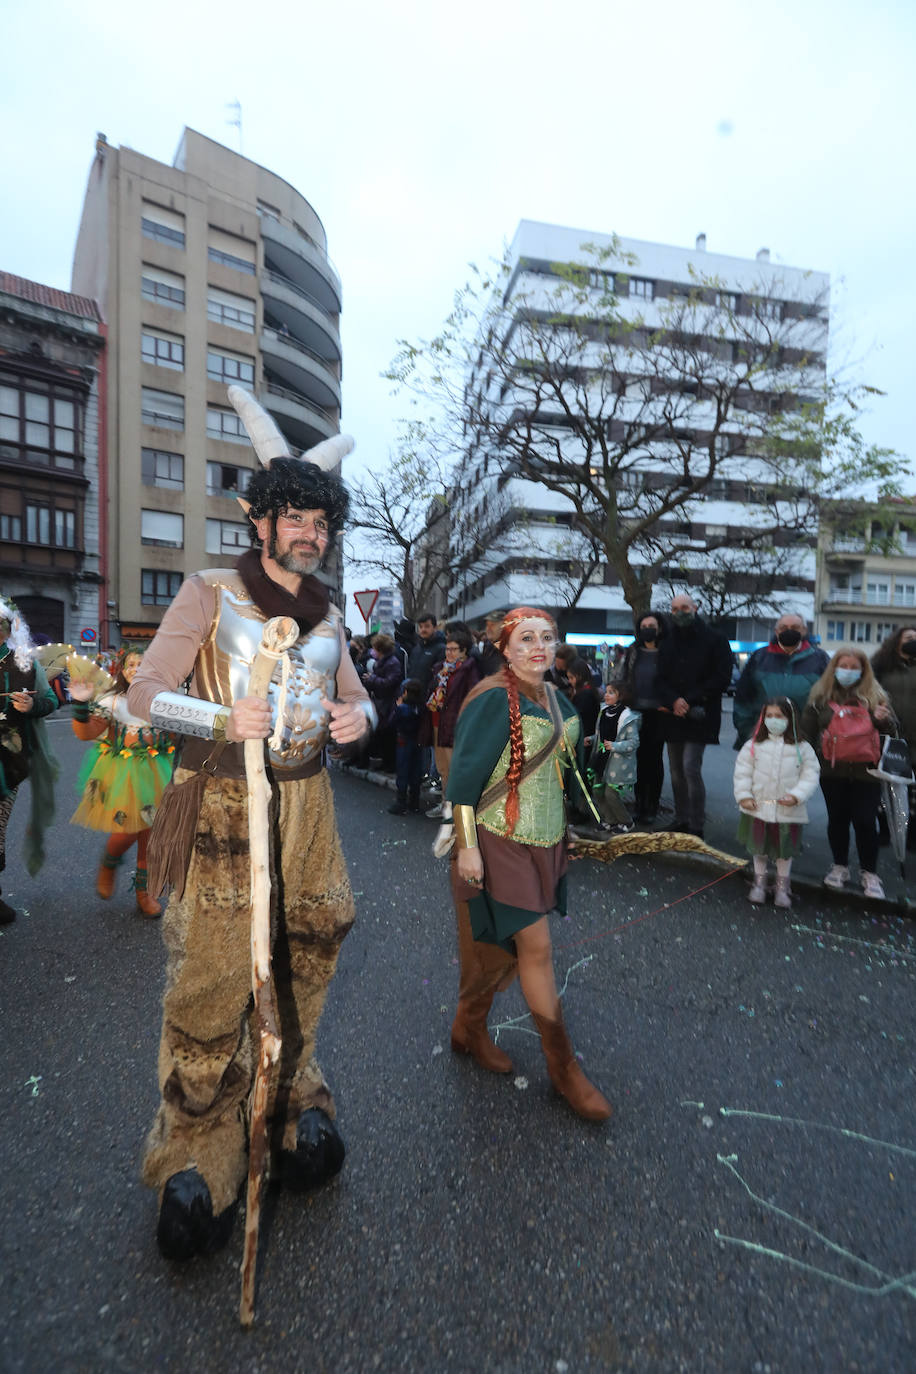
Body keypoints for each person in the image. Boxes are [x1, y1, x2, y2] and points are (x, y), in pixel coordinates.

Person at [127, 389, 374, 1261]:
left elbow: (355, 698)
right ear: (258, 520)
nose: (308, 533)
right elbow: (142, 697)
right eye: (293, 517)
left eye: (319, 521)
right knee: (214, 970)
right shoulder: (207, 592)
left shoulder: (331, 617)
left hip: (307, 806)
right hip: (223, 802)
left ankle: (286, 1100)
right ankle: (197, 1143)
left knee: (312, 938)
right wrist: (217, 720)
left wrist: (362, 721)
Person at [446, 606, 612, 1121]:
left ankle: (468, 1027)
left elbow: (565, 773)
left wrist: (573, 828)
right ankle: (563, 1069)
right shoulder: (494, 697)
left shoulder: (558, 697)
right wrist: (468, 846)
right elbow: (464, 781)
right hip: (497, 837)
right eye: (526, 638)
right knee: (535, 947)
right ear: (506, 647)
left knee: (503, 949)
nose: (538, 646)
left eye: (547, 637)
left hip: (547, 839)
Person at [69, 647, 175, 917]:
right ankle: (109, 862)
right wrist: (80, 704)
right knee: (126, 831)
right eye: (131, 664)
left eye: (143, 664)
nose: (136, 669)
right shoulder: (113, 702)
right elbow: (86, 733)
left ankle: (144, 893)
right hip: (123, 775)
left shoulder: (164, 701)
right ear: (122, 670)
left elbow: (176, 736)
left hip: (158, 772)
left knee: (152, 837)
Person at [801, 648, 895, 899]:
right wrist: (805, 762)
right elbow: (806, 732)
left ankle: (869, 873)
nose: (849, 671)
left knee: (865, 821)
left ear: (864, 670)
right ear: (834, 668)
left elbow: (893, 732)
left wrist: (881, 721)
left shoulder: (875, 696)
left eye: (855, 667)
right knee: (838, 819)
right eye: (844, 665)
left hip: (867, 771)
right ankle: (840, 866)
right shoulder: (820, 696)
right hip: (832, 771)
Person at [656, 594, 734, 838]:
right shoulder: (666, 640)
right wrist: (674, 701)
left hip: (700, 713)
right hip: (673, 714)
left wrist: (689, 699)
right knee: (676, 770)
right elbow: (660, 678)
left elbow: (721, 677)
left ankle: (696, 824)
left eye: (685, 607)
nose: (680, 612)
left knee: (690, 767)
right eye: (675, 608)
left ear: (695, 608)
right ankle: (681, 818)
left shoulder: (716, 639)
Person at [0, 599, 58, 923]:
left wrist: (30, 707)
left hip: (9, 761)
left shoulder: (25, 664)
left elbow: (50, 700)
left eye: (0, 624)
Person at [733, 697, 820, 908]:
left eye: (779, 716)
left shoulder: (803, 747)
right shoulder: (754, 745)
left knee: (784, 850)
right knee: (759, 849)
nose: (774, 720)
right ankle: (759, 884)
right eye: (769, 716)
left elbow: (811, 774)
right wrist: (744, 796)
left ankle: (782, 887)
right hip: (759, 808)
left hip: (788, 810)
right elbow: (742, 773)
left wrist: (797, 795)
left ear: (790, 718)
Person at [733, 612, 829, 748]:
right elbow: (743, 699)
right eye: (784, 628)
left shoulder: (820, 660)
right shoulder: (759, 658)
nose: (789, 631)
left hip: (805, 742)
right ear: (776, 631)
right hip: (761, 738)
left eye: (795, 627)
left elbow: (829, 700)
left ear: (804, 631)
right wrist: (747, 732)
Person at [613, 612, 667, 825]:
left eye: (651, 625)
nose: (647, 629)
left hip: (658, 713)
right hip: (635, 712)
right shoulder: (633, 651)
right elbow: (624, 677)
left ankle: (652, 806)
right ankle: (639, 804)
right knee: (637, 761)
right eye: (644, 625)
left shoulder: (666, 652)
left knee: (654, 762)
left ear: (659, 628)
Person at [425, 624, 481, 820]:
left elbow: (473, 699)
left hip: (455, 726)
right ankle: (445, 806)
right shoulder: (441, 668)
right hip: (437, 723)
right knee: (443, 769)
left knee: (454, 769)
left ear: (463, 650)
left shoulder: (468, 670)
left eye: (453, 649)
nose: (448, 653)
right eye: (447, 649)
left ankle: (456, 810)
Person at [590, 682, 641, 832]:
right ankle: (610, 820)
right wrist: (592, 739)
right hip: (601, 759)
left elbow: (633, 742)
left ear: (621, 696)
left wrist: (615, 746)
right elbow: (602, 735)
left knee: (611, 794)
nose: (606, 695)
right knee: (597, 791)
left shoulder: (628, 718)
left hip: (617, 763)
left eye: (611, 692)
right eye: (606, 691)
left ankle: (626, 821)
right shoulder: (604, 712)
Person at [364, 632, 404, 772]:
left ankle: (390, 764)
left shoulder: (392, 662)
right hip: (380, 702)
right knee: (381, 734)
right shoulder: (380, 662)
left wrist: (372, 679)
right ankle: (385, 762)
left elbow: (390, 682)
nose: (372, 651)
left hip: (388, 703)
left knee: (388, 735)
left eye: (374, 648)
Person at [388, 677, 425, 815]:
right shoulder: (421, 707)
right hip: (417, 741)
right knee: (415, 771)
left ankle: (401, 802)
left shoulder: (402, 708)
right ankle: (414, 802)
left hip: (403, 740)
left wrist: (397, 708)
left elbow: (391, 722)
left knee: (403, 771)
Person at [567, 658, 601, 747]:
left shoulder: (585, 694)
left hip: (584, 737)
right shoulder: (588, 690)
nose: (569, 681)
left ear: (579, 676)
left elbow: (577, 715)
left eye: (571, 678)